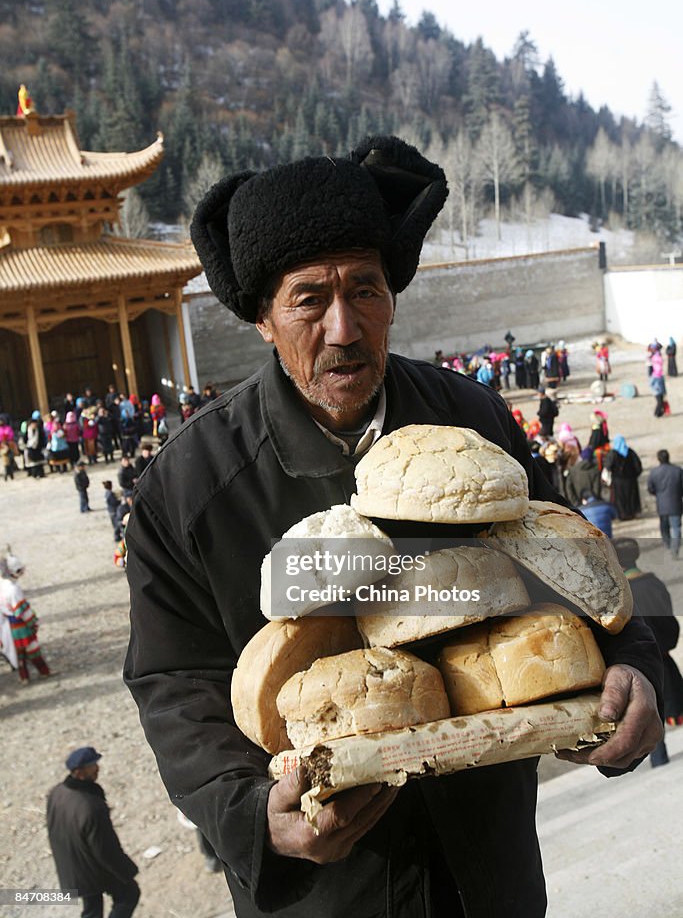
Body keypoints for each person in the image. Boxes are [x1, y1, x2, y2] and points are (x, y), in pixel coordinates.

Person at [123, 137, 663, 918]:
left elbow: (571, 564)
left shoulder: (471, 424)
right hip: (328, 890)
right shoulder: (190, 485)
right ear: (263, 321)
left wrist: (631, 664)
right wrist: (252, 817)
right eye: (309, 298)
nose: (343, 327)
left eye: (365, 290)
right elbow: (174, 682)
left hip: (489, 869)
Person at [47, 746, 140, 918]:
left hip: (73, 868)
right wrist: (127, 871)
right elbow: (105, 850)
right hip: (92, 869)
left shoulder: (57, 792)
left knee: (92, 909)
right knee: (129, 895)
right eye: (92, 765)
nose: (97, 768)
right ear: (79, 772)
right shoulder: (91, 806)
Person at [613, 538, 683, 762]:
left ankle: (659, 758)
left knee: (646, 713)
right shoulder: (654, 583)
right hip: (663, 656)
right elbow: (670, 621)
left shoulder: (620, 592)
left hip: (638, 664)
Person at [0, 549, 51, 683]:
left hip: (8, 625)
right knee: (32, 648)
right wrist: (33, 622)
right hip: (20, 624)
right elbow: (22, 611)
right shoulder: (14, 589)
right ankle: (44, 672)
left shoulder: (3, 586)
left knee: (20, 653)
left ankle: (24, 678)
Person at [647, 449, 683, 558]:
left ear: (658, 459)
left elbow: (650, 488)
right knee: (676, 528)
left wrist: (659, 495)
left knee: (664, 527)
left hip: (662, 505)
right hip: (676, 504)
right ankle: (675, 549)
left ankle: (668, 545)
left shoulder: (654, 472)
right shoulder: (678, 470)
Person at [602, 435, 642, 521]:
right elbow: (638, 467)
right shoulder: (630, 452)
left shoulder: (613, 454)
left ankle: (622, 515)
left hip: (618, 481)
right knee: (631, 497)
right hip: (631, 480)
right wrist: (634, 476)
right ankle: (632, 513)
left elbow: (608, 466)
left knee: (620, 499)